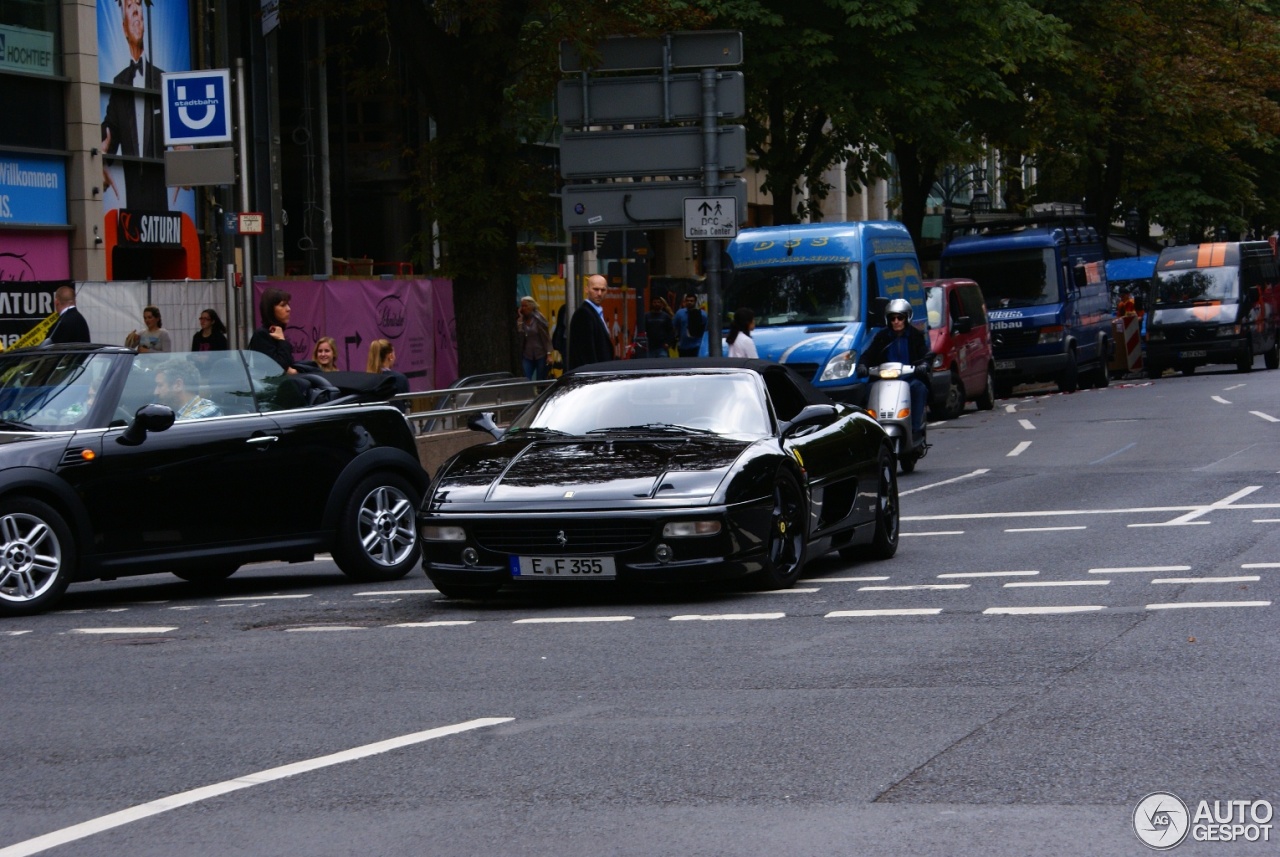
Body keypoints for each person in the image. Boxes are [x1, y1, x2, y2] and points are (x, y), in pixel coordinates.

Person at [100, 0, 168, 211]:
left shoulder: (162, 79)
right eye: (130, 6)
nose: (137, 10)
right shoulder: (119, 82)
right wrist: (98, 153)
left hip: (161, 208)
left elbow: (182, 131)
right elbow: (110, 132)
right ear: (123, 28)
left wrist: (188, 156)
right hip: (132, 203)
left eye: (139, 5)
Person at [863, 298, 931, 443]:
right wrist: (862, 366)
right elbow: (868, 354)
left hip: (909, 379)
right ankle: (872, 429)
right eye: (892, 318)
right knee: (868, 390)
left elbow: (925, 354)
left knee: (919, 388)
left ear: (907, 318)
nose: (896, 321)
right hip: (884, 380)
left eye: (900, 317)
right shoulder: (882, 337)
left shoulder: (915, 335)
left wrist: (924, 365)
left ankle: (915, 428)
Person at [568, 274, 613, 370]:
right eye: (595, 289)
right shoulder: (583, 314)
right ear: (586, 289)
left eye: (603, 290)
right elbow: (586, 352)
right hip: (593, 376)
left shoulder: (593, 312)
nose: (599, 293)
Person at [154, 358, 221, 420]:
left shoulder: (207, 410)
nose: (156, 392)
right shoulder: (175, 411)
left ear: (178, 385)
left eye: (160, 385)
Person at [249, 287, 297, 373]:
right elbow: (279, 367)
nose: (288, 309)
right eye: (283, 305)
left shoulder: (275, 332)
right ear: (270, 309)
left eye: (288, 304)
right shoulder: (262, 335)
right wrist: (282, 341)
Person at [367, 338, 410, 410]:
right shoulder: (400, 378)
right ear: (390, 356)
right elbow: (408, 403)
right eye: (394, 354)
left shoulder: (366, 380)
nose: (395, 357)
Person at [517, 296, 551, 380]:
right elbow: (520, 334)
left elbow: (546, 337)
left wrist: (549, 354)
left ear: (531, 306)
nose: (524, 308)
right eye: (522, 306)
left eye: (526, 306)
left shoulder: (539, 319)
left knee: (540, 378)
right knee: (526, 377)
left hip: (540, 354)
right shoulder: (521, 320)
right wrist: (520, 318)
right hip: (527, 355)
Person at [673, 292, 707, 357]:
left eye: (691, 301)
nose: (689, 302)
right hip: (683, 345)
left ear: (695, 302)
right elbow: (675, 326)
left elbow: (704, 328)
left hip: (696, 345)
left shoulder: (702, 314)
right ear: (685, 301)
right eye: (687, 301)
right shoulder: (680, 313)